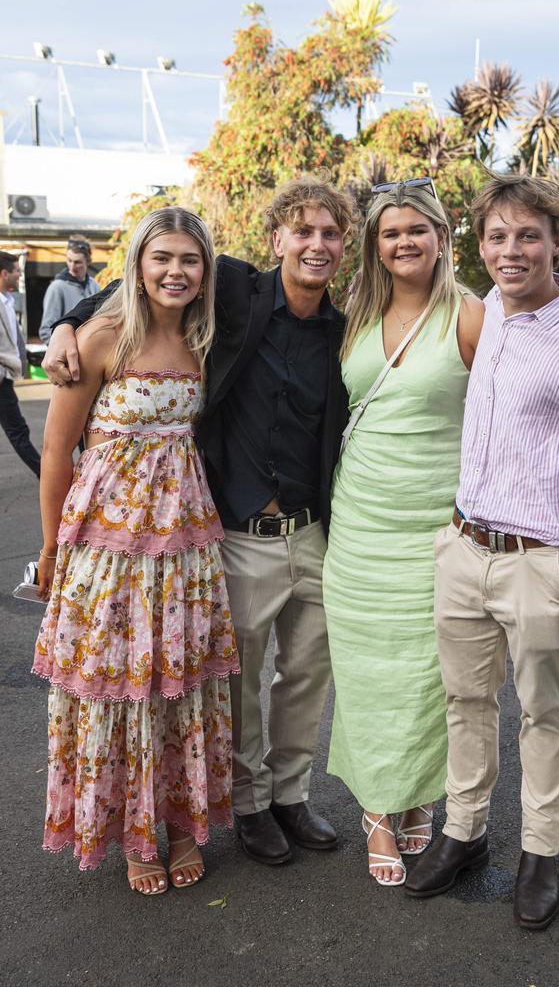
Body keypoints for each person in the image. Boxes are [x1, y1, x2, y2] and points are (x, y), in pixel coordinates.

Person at [42, 177, 356, 866]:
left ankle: (289, 798)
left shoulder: (348, 326)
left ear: (344, 244)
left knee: (305, 675)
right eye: (302, 231)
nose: (315, 244)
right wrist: (60, 323)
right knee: (230, 681)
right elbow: (152, 276)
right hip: (235, 533)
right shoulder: (235, 296)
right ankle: (247, 806)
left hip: (314, 532)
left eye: (330, 233)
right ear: (276, 239)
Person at [405, 174, 559, 930]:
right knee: (465, 704)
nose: (512, 251)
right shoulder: (491, 314)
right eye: (498, 237)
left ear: (558, 243)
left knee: (544, 713)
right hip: (465, 547)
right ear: (481, 245)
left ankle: (540, 853)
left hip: (544, 560)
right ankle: (464, 832)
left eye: (528, 236)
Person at [33, 207, 239, 895]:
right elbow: (57, 453)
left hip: (184, 549)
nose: (176, 272)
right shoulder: (99, 339)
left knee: (181, 688)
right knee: (121, 690)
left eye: (189, 259)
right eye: (163, 258)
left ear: (205, 269)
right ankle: (133, 833)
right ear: (139, 264)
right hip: (109, 548)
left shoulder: (206, 338)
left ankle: (178, 822)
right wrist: (52, 546)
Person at [322, 179, 484, 886]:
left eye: (417, 229)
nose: (405, 242)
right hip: (358, 526)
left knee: (426, 677)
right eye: (391, 233)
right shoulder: (353, 312)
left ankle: (415, 793)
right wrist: (75, 319)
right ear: (375, 245)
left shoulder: (473, 316)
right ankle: (379, 812)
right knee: (365, 678)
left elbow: (511, 414)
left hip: (435, 528)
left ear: (443, 236)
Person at [0, 251, 41, 478]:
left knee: (18, 430)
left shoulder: (8, 301)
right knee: (18, 431)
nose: (19, 275)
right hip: (1, 378)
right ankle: (45, 473)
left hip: (8, 374)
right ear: (4, 273)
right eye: (16, 271)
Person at [39, 236, 101, 345]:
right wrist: (63, 353)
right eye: (69, 260)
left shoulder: (94, 285)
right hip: (67, 356)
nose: (72, 266)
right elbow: (46, 330)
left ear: (88, 261)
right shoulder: (57, 287)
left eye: (77, 262)